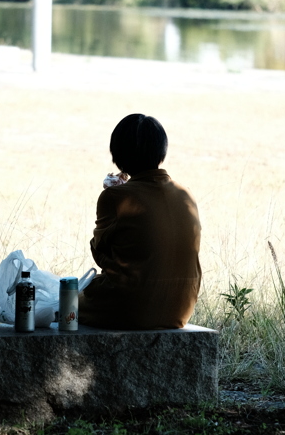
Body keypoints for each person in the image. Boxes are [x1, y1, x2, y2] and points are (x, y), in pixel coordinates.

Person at [79, 114, 202, 330]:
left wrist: (113, 194)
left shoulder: (115, 197)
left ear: (117, 154)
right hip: (180, 309)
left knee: (64, 300)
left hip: (131, 307)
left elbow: (100, 254)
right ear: (161, 152)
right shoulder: (186, 194)